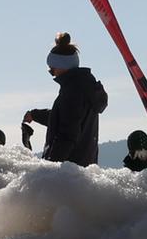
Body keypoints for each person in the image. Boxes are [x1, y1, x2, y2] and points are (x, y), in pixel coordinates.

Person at [24, 32, 108, 166]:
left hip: (68, 170)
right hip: (84, 165)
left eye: (52, 69)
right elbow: (64, 118)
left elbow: (67, 134)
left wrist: (50, 168)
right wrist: (35, 115)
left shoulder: (73, 92)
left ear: (63, 67)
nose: (52, 74)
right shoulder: (85, 87)